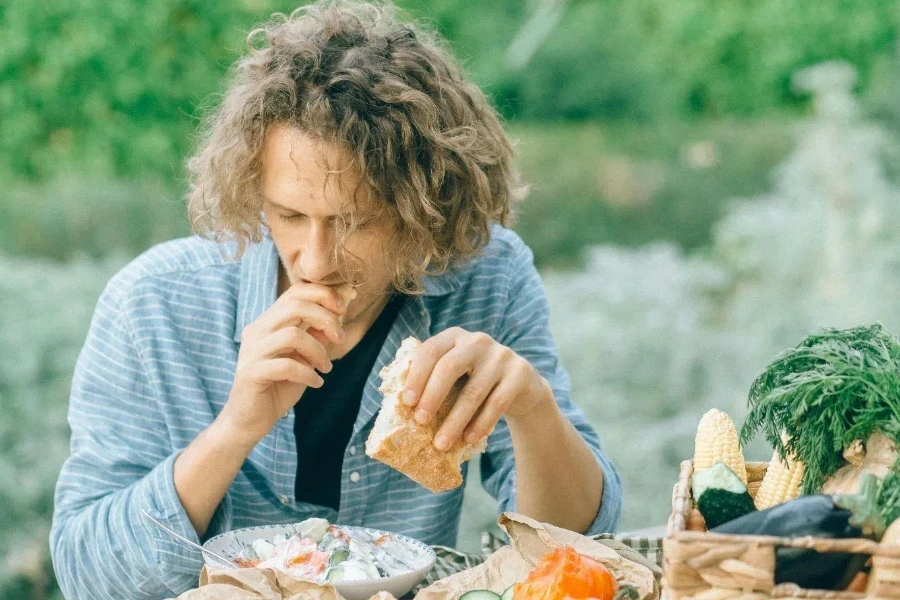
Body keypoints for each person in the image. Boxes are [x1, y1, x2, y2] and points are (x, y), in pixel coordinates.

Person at [49, 1, 623, 598]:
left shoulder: (489, 279)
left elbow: (581, 551)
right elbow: (88, 576)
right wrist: (236, 428)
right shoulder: (150, 305)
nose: (317, 260)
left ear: (422, 211)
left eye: (355, 222)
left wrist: (531, 408)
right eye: (290, 215)